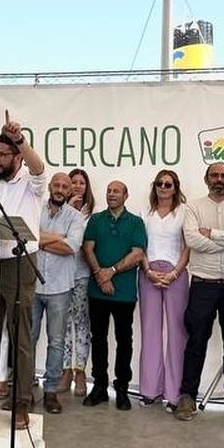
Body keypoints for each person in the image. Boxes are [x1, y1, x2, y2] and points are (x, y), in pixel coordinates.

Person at [0, 115, 48, 428]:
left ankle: (20, 404)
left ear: (16, 158)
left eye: (3, 155)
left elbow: (39, 167)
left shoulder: (31, 184)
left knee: (20, 337)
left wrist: (21, 140)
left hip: (18, 263)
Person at [177, 161, 224, 426]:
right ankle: (187, 395)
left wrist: (216, 236)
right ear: (206, 179)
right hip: (203, 284)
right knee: (196, 340)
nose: (219, 179)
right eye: (214, 175)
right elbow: (193, 241)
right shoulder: (193, 207)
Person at [81, 179, 147, 413]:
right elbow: (87, 248)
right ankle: (99, 386)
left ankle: (122, 388)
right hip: (97, 291)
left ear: (126, 195)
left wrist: (111, 272)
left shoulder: (136, 222)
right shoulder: (96, 220)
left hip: (124, 293)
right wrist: (100, 276)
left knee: (124, 341)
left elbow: (137, 254)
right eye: (108, 190)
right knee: (98, 338)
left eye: (116, 191)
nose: (111, 194)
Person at [31, 172, 86, 414]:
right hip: (31, 285)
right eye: (57, 185)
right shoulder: (35, 209)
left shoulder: (75, 217)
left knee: (56, 342)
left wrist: (40, 239)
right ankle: (24, 390)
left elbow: (70, 248)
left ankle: (51, 391)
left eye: (65, 186)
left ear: (70, 191)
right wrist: (56, 238)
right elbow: (27, 237)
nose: (60, 189)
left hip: (60, 288)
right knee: (27, 340)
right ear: (50, 187)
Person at [139, 168, 190, 409]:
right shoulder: (145, 212)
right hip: (148, 274)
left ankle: (174, 392)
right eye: (159, 183)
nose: (163, 187)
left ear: (175, 187)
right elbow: (139, 246)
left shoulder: (183, 212)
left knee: (177, 333)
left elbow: (188, 247)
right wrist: (148, 271)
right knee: (150, 331)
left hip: (175, 274)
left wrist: (174, 273)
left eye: (168, 184)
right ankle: (150, 390)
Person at [59, 166, 96, 398]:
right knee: (62, 323)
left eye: (82, 183)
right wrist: (68, 211)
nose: (77, 186)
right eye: (73, 182)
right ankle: (65, 370)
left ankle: (80, 370)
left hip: (82, 274)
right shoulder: (57, 211)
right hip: (61, 275)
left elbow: (84, 244)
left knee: (81, 323)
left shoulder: (92, 216)